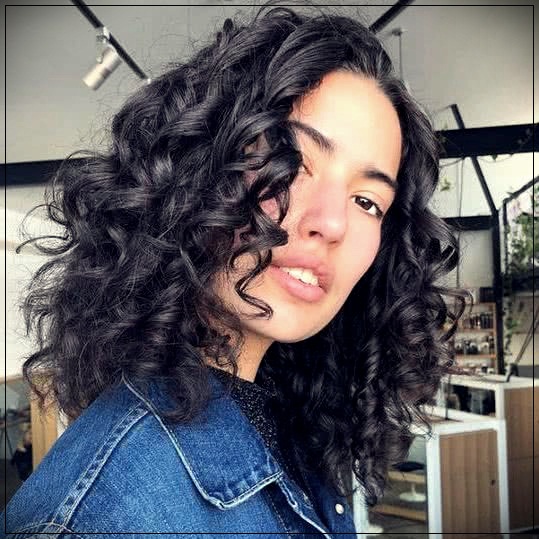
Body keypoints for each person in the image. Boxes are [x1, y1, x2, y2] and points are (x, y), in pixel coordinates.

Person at [3, 4, 465, 537]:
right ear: (193, 173)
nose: (333, 223)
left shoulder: (295, 427)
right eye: (292, 163)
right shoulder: (100, 520)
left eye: (367, 201)